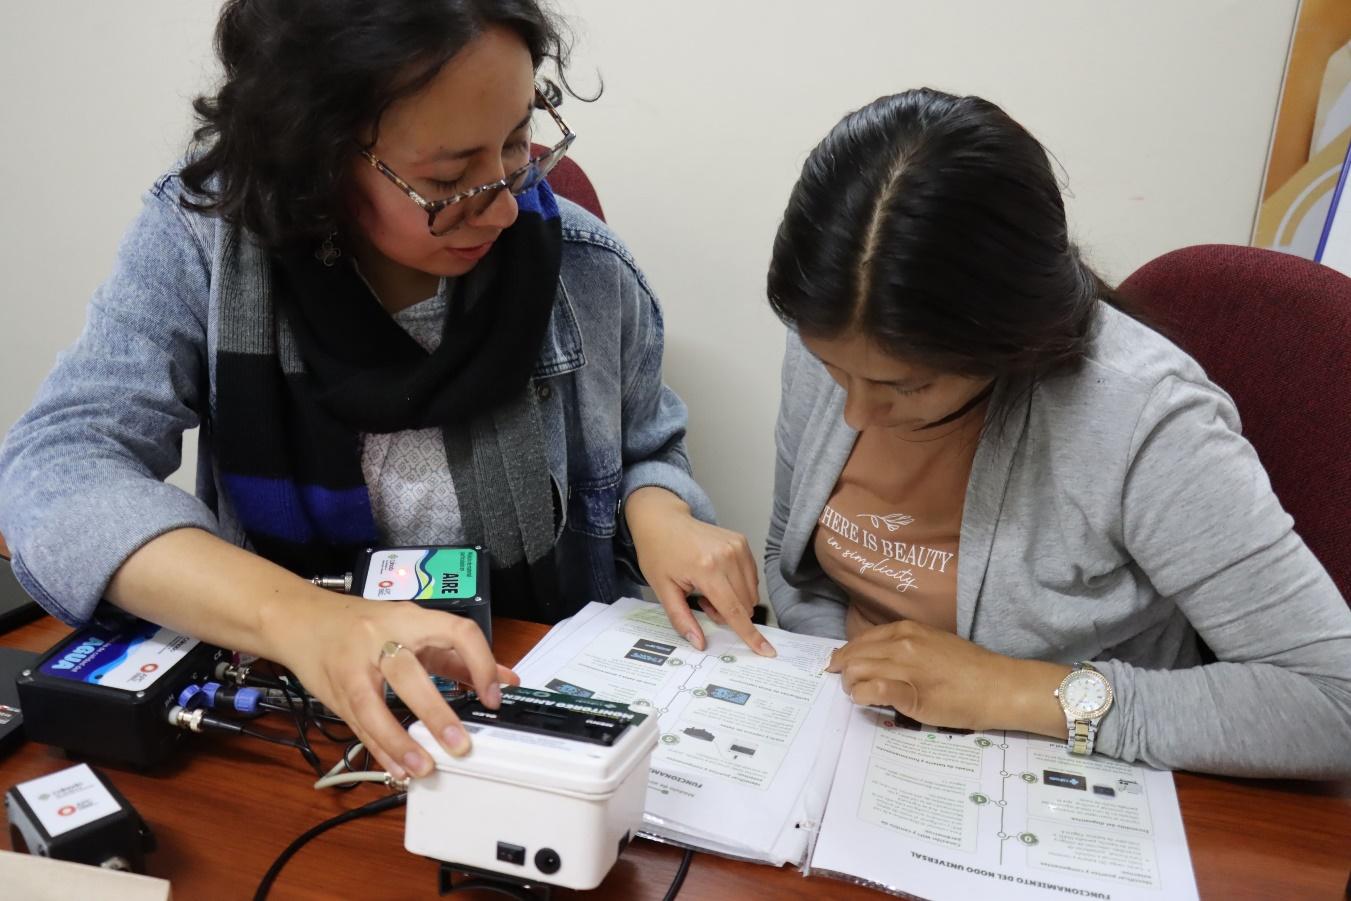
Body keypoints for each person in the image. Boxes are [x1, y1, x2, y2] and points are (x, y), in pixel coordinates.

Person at [0, 0, 770, 785]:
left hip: (526, 715)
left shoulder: (582, 265)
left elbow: (644, 447)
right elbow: (57, 467)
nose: (506, 204)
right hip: (282, 719)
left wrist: (661, 510)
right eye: (447, 178)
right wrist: (301, 618)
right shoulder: (207, 239)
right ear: (316, 155)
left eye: (516, 142)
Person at [763, 88, 1351, 778]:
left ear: (1009, 340)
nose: (856, 413)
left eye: (908, 386)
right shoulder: (842, 328)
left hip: (1066, 783)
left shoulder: (1142, 418)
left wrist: (1014, 689)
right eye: (835, 373)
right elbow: (792, 556)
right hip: (865, 749)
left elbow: (1331, 701)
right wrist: (853, 679)